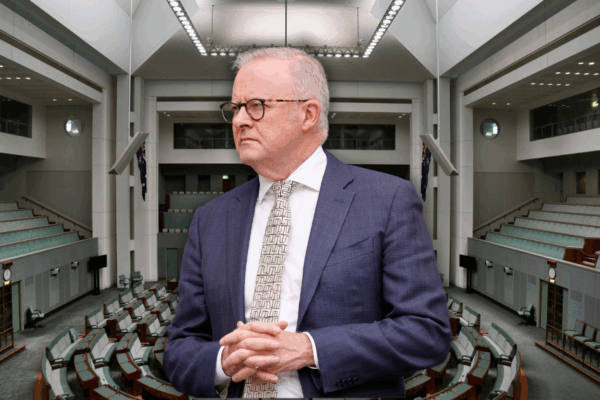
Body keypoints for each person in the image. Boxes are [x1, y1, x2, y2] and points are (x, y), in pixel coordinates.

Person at [163, 47, 452, 398]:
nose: (239, 121)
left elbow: (426, 333)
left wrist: (311, 349)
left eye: (256, 106)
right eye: (235, 108)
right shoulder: (209, 220)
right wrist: (223, 362)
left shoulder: (387, 200)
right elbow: (179, 350)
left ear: (308, 114)